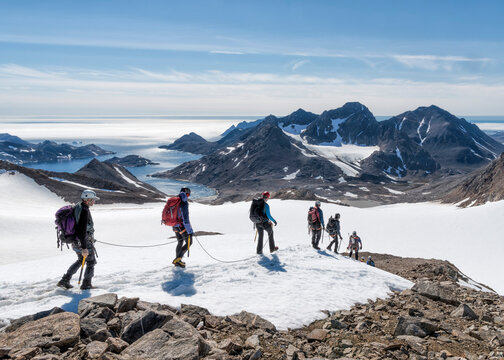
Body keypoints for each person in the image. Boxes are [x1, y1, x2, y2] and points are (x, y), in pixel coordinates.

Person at [57, 189, 99, 290]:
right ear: (87, 199)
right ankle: (86, 284)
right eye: (93, 199)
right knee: (91, 262)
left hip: (75, 240)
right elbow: (81, 230)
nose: (94, 201)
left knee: (81, 260)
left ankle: (65, 280)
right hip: (83, 241)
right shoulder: (84, 210)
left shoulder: (78, 206)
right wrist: (84, 247)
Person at [172, 187, 193, 268]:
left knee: (180, 242)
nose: (188, 196)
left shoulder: (176, 199)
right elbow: (185, 218)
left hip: (175, 226)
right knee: (189, 242)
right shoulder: (183, 202)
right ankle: (178, 259)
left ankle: (178, 262)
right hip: (182, 226)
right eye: (188, 194)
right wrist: (190, 230)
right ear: (186, 193)